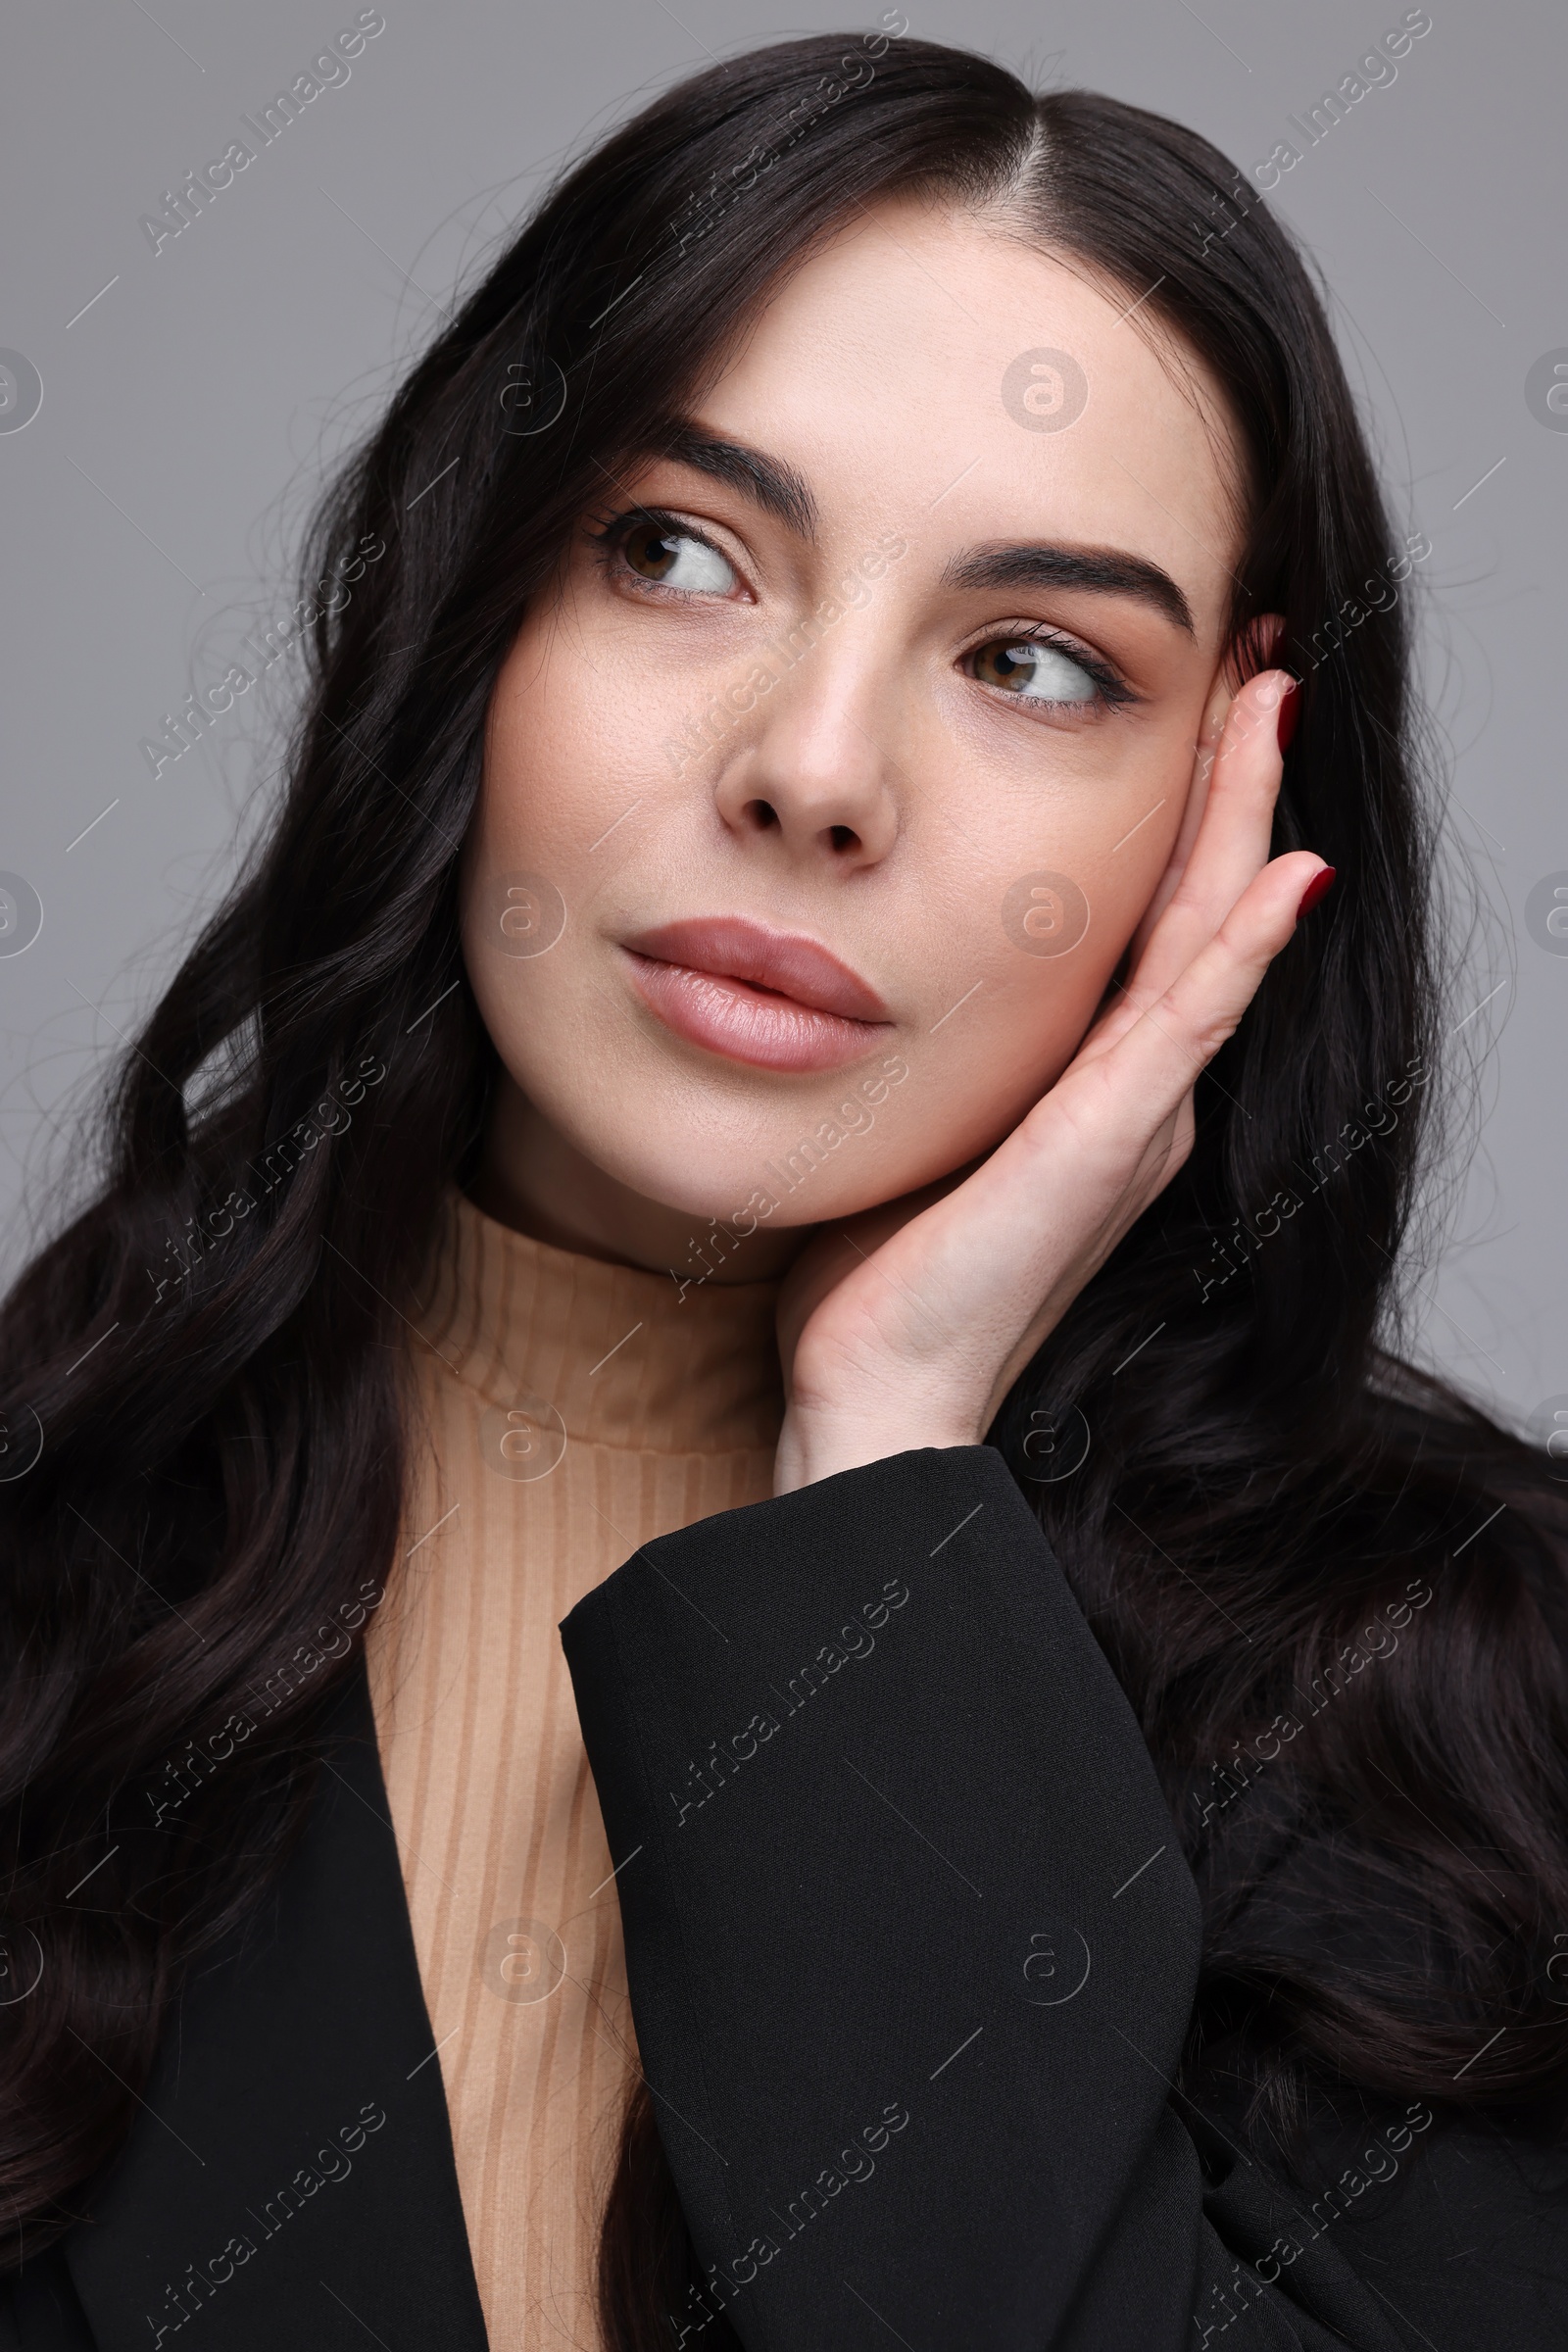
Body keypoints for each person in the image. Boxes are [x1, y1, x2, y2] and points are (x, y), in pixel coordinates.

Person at [2, 28, 1564, 2352]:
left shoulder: (1474, 1716)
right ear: (474, 615)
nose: (814, 772)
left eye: (1031, 661)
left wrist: (882, 1465)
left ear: (1221, 806)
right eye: (678, 553)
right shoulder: (49, 1571)